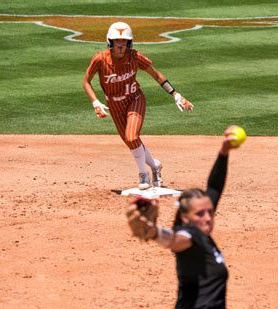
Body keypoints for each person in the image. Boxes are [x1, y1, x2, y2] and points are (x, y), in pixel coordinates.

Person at [126, 126, 238, 309]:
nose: (208, 218)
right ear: (186, 217)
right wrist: (154, 233)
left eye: (210, 212)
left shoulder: (201, 232)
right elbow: (174, 240)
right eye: (200, 214)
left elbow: (215, 187)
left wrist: (224, 152)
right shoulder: (190, 235)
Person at [83, 22, 194, 190]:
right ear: (109, 42)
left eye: (124, 41)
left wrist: (175, 94)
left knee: (132, 136)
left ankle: (144, 176)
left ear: (130, 43)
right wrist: (95, 102)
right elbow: (86, 82)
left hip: (135, 99)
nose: (121, 45)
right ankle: (155, 165)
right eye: (116, 41)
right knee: (131, 142)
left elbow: (156, 75)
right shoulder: (99, 59)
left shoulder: (134, 57)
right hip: (114, 105)